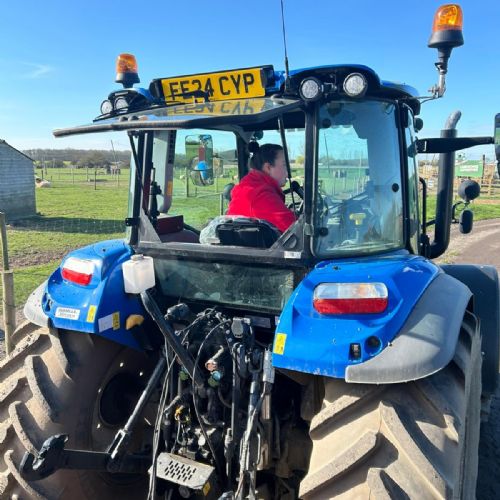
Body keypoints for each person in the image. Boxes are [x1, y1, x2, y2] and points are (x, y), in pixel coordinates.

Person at [226, 143, 296, 232]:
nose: (289, 171)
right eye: (284, 165)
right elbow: (296, 230)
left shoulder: (250, 186)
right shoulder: (261, 194)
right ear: (268, 168)